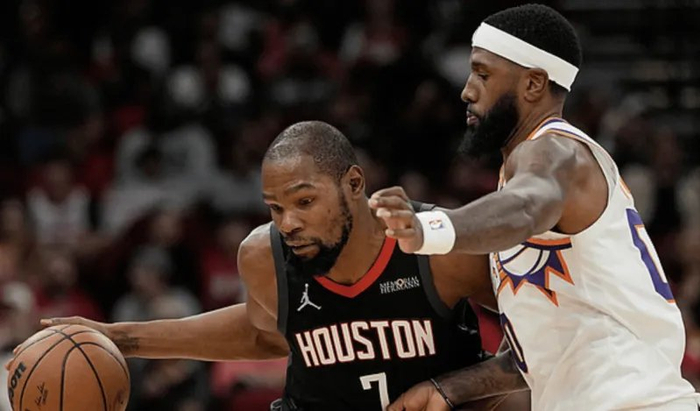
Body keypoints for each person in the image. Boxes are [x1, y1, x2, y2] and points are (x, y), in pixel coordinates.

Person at [9, 121, 502, 411]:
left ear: (354, 184)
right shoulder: (264, 255)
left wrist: (455, 387)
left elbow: (539, 338)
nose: (288, 223)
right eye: (275, 208)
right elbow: (265, 334)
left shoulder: (440, 245)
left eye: (304, 201)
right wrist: (119, 338)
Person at [370, 4, 700, 411]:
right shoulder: (529, 169)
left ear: (533, 84)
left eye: (483, 74)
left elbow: (528, 205)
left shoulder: (556, 151)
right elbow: (536, 353)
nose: (467, 91)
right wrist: (448, 389)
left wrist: (433, 228)